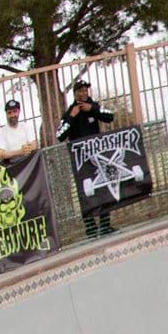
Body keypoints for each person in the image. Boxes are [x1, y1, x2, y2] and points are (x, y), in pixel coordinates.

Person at [59, 75, 116, 238]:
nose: (83, 93)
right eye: (80, 91)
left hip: (98, 157)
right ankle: (91, 229)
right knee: (85, 193)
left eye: (85, 90)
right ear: (75, 93)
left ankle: (105, 226)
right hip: (80, 161)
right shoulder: (69, 112)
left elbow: (109, 116)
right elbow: (60, 135)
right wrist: (72, 116)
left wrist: (92, 110)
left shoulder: (94, 106)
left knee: (104, 188)